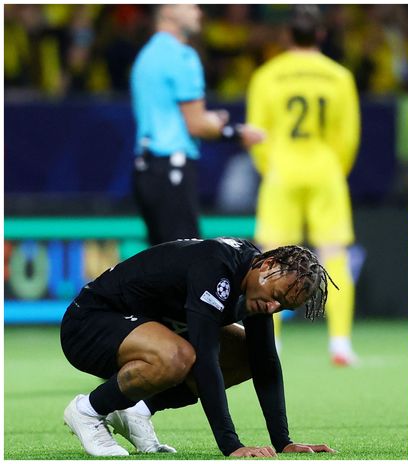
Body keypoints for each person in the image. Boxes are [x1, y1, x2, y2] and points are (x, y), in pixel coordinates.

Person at [61, 238, 336, 457]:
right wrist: (231, 445)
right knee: (178, 355)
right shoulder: (216, 267)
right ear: (268, 265)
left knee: (246, 355)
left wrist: (283, 441)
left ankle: (137, 409)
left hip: (143, 325)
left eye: (283, 307)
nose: (273, 308)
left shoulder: (256, 281)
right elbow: (206, 358)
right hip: (88, 324)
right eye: (276, 296)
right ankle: (88, 410)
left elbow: (265, 361)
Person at [246, 5, 360, 365]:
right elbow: (348, 136)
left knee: (272, 257)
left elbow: (257, 135)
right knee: (334, 253)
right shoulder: (339, 76)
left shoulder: (267, 75)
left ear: (287, 35)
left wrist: (272, 167)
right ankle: (340, 343)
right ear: (321, 34)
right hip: (326, 171)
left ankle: (272, 342)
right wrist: (334, 168)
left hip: (281, 171)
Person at [131, 5, 263, 246]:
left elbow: (171, 115)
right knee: (187, 258)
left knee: (161, 259)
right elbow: (196, 125)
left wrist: (208, 119)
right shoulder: (182, 56)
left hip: (146, 170)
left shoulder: (146, 56)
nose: (198, 12)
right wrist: (236, 133)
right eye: (190, 5)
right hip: (173, 169)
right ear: (168, 10)